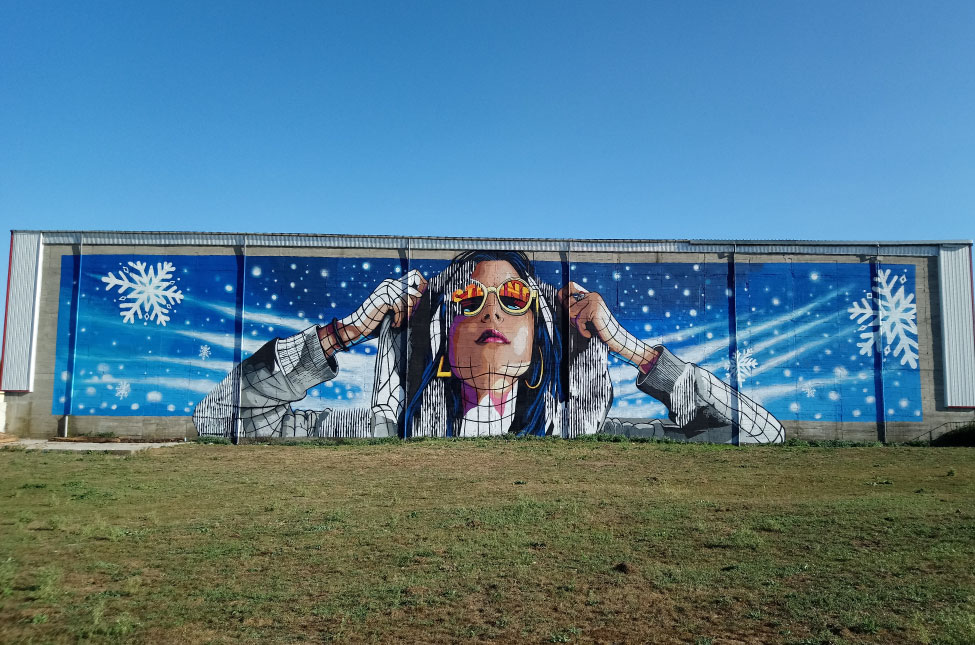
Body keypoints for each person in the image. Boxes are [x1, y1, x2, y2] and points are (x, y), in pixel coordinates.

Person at [194, 250, 784, 443]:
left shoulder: (584, 433)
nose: (492, 312)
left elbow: (761, 434)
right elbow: (220, 420)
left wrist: (629, 348)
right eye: (470, 299)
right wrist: (346, 330)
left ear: (539, 337)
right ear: (440, 333)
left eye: (514, 299)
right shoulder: (389, 431)